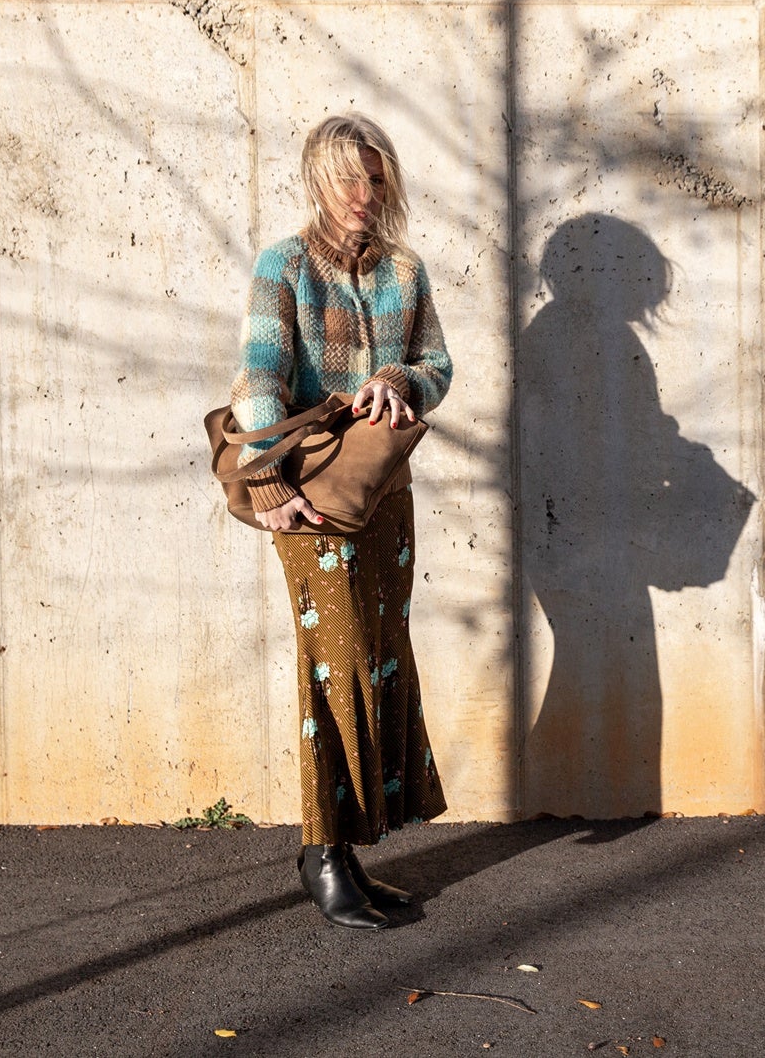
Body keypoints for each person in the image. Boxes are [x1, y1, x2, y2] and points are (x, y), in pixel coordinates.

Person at [228, 112, 453, 930]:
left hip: (386, 496)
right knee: (335, 667)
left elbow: (438, 364)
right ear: (319, 180)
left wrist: (400, 379)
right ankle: (321, 853)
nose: (364, 193)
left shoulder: (405, 270)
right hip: (307, 499)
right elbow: (259, 378)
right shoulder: (284, 265)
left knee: (382, 656)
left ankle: (350, 850)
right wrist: (267, 486)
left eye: (376, 177)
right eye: (348, 177)